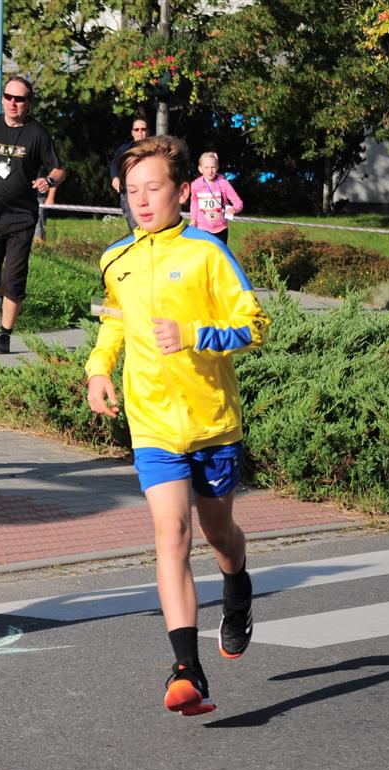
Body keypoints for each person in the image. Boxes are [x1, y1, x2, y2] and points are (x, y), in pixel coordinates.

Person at [85, 135, 269, 716]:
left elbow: (255, 325)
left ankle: (237, 584)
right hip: (152, 423)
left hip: (213, 422)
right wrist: (98, 368)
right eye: (132, 191)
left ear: (183, 191)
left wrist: (194, 335)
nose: (141, 201)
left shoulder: (208, 253)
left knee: (219, 535)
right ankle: (186, 668)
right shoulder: (116, 259)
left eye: (154, 188)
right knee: (172, 534)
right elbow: (116, 320)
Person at [0, 76, 65, 354]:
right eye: (8, 97)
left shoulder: (37, 133)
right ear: (3, 98)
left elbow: (58, 169)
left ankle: (3, 334)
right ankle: (10, 298)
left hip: (22, 218)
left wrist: (48, 181)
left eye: (19, 99)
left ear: (28, 103)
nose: (12, 103)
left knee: (15, 279)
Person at [189, 151, 244, 244]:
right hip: (202, 228)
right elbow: (194, 203)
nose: (210, 171)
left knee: (219, 253)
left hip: (221, 229)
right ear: (200, 169)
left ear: (217, 167)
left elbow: (238, 202)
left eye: (213, 167)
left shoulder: (224, 184)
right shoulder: (195, 185)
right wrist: (193, 219)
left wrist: (235, 209)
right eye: (206, 167)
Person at [109, 116, 150, 232]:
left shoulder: (156, 148)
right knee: (135, 227)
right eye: (137, 130)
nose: (140, 133)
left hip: (149, 192)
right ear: (132, 132)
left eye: (143, 129)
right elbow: (114, 164)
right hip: (128, 192)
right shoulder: (124, 149)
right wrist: (115, 177)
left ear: (148, 131)